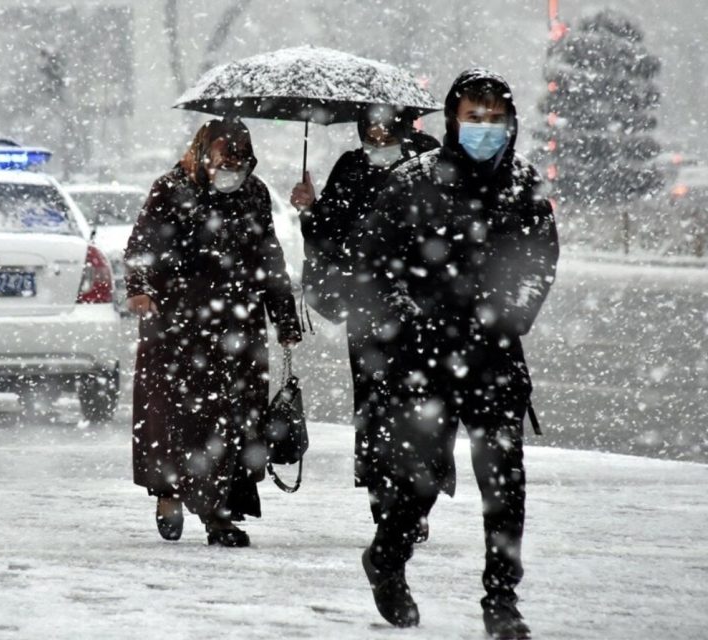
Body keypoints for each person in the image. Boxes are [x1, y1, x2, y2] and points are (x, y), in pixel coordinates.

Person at [348, 69, 558, 639]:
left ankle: (501, 600)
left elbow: (538, 265)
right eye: (474, 117)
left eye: (494, 118)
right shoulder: (412, 180)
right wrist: (409, 322)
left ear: (509, 122)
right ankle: (387, 558)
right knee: (419, 480)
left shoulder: (523, 186)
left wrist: (508, 316)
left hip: (495, 358)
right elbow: (372, 263)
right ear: (453, 120)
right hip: (423, 359)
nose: (484, 128)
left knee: (504, 485)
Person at [125, 119, 302, 547]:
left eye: (240, 158)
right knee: (178, 418)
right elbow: (142, 244)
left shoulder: (254, 193)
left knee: (235, 419)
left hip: (238, 326)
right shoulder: (170, 189)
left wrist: (284, 315)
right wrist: (141, 288)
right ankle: (169, 490)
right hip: (178, 327)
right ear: (203, 152)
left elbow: (268, 255)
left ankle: (220, 514)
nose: (231, 165)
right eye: (224, 156)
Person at [290, 105, 439, 528]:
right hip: (369, 309)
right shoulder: (352, 167)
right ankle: (383, 493)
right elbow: (326, 235)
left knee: (420, 406)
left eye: (383, 127)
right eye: (368, 129)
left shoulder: (429, 161)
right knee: (375, 405)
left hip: (422, 309)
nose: (375, 136)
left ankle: (416, 495)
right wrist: (309, 208)